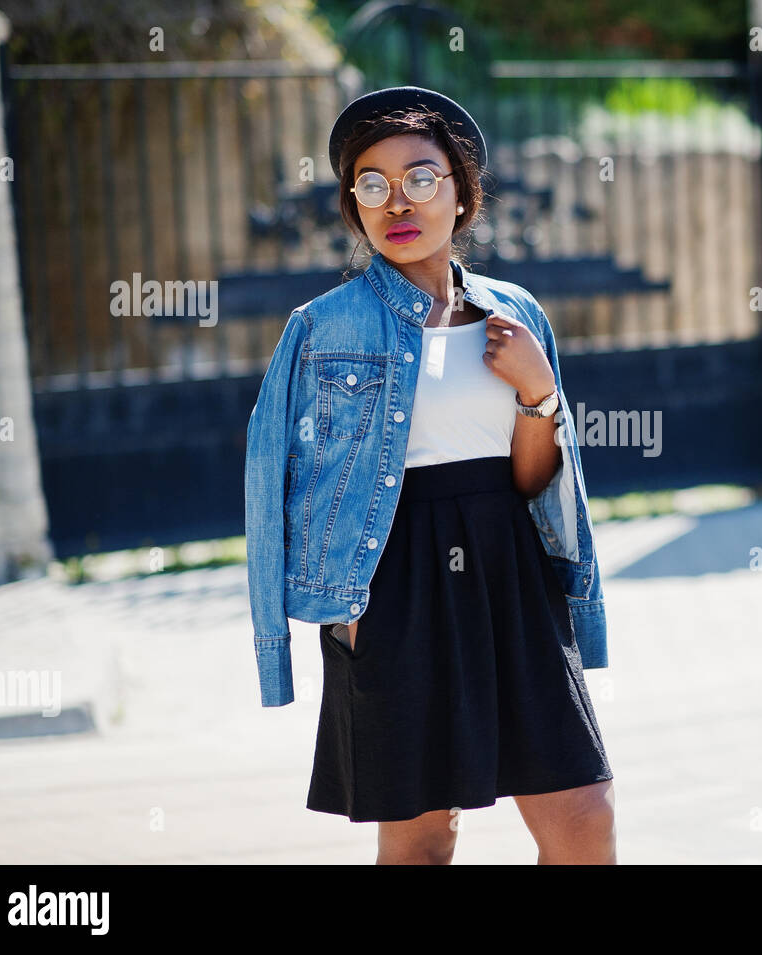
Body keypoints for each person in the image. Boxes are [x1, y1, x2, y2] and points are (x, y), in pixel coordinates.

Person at [244, 87, 615, 864]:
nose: (396, 202)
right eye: (371, 185)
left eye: (420, 178)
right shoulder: (321, 328)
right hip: (392, 589)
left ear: (461, 190)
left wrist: (540, 390)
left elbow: (533, 480)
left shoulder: (515, 313)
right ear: (354, 204)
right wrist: (306, 627)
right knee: (422, 838)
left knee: (582, 818)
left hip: (511, 574)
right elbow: (264, 477)